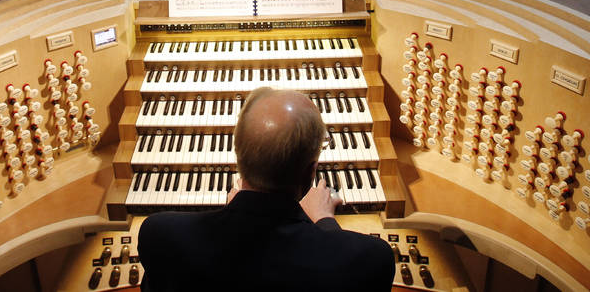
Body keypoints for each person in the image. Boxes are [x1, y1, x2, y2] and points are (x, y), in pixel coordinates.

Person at [137, 87, 396, 291]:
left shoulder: (160, 235)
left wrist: (237, 213)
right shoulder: (371, 260)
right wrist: (325, 222)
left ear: (238, 156)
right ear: (310, 172)